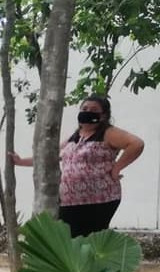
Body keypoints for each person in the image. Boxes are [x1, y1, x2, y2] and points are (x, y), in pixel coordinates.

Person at [10, 95, 146, 237]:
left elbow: (136, 144)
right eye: (85, 108)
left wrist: (116, 168)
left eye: (94, 109)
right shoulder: (75, 137)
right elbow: (51, 159)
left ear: (104, 115)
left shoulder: (108, 133)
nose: (88, 111)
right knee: (69, 243)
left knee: (88, 242)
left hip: (99, 200)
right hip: (69, 201)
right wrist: (20, 162)